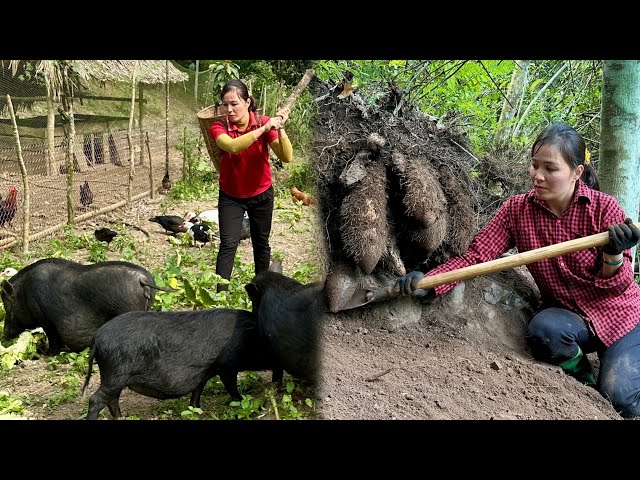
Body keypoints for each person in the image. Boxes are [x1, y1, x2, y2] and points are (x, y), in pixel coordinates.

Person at [394, 123, 640, 418]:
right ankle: (585, 384)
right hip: (569, 318)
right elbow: (478, 256)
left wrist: (613, 254)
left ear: (576, 172)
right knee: (545, 331)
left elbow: (620, 286)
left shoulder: (604, 209)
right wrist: (432, 281)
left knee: (622, 401)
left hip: (622, 317)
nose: (538, 176)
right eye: (534, 165)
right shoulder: (516, 211)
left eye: (550, 169)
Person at [209, 79, 293, 291]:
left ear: (247, 102)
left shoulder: (262, 121)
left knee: (261, 245)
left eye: (234, 104)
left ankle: (262, 292)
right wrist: (264, 128)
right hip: (231, 196)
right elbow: (233, 146)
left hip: (261, 194)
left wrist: (280, 128)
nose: (229, 109)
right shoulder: (218, 126)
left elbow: (287, 156)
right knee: (228, 244)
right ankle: (221, 296)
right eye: (225, 104)